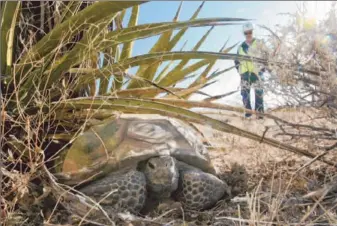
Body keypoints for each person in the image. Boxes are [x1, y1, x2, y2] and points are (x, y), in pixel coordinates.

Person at [234, 22, 270, 119]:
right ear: (244, 34)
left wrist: (264, 68)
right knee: (245, 95)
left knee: (259, 94)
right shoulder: (240, 47)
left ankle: (260, 116)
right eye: (246, 33)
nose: (248, 34)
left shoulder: (259, 43)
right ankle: (248, 115)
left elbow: (267, 55)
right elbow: (236, 61)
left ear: (252, 32)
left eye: (250, 32)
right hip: (245, 74)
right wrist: (240, 72)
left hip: (258, 72)